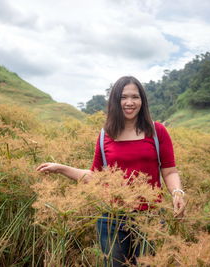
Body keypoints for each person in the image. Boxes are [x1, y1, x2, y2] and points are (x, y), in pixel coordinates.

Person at [36, 76, 185, 266]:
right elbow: (95, 177)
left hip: (150, 218)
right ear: (115, 101)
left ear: (142, 101)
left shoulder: (157, 131)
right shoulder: (105, 135)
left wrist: (177, 193)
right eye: (123, 97)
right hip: (111, 220)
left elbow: (169, 171)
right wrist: (61, 168)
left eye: (135, 97)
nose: (129, 102)